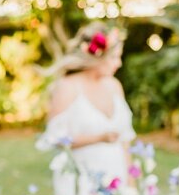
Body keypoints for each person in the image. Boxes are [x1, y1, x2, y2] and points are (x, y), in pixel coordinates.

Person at [43, 23, 135, 185]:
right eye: (114, 57)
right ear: (97, 55)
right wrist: (98, 138)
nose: (119, 63)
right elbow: (55, 138)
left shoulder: (114, 86)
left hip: (116, 177)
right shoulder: (68, 86)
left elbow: (125, 142)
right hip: (80, 179)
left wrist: (131, 182)